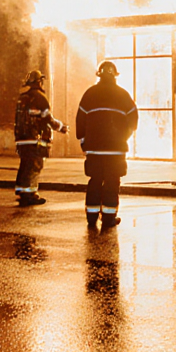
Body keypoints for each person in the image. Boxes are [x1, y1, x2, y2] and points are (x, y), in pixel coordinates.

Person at [74, 61, 139, 229]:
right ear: (115, 75)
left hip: (94, 150)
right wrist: (124, 137)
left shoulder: (89, 94)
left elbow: (80, 120)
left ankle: (91, 217)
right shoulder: (123, 95)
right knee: (112, 182)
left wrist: (83, 141)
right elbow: (133, 119)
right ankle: (109, 218)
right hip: (116, 150)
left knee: (95, 181)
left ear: (99, 75)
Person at [14, 69, 68, 206]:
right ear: (39, 82)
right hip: (35, 138)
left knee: (25, 164)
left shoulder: (22, 98)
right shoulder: (40, 97)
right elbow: (47, 117)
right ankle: (30, 194)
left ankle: (21, 190)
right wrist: (61, 127)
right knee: (34, 165)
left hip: (21, 139)